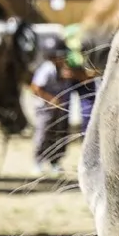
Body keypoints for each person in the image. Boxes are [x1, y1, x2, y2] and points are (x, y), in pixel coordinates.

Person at [30, 46, 73, 174]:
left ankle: (55, 162)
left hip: (60, 108)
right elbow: (35, 87)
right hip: (45, 108)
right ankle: (38, 162)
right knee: (43, 134)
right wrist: (51, 99)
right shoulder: (47, 69)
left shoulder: (63, 69)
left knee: (59, 134)